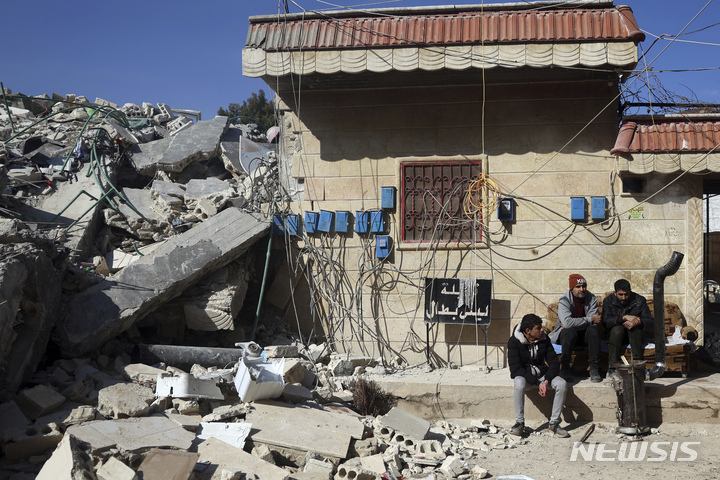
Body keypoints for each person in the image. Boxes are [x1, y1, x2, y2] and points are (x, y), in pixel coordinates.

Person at [508, 313, 570, 438]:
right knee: (518, 382)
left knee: (562, 384)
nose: (542, 330)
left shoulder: (544, 339)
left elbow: (553, 363)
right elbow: (515, 370)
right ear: (528, 331)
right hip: (526, 377)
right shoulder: (514, 342)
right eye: (538, 328)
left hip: (542, 375)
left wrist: (546, 381)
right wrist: (538, 383)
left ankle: (554, 423)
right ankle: (519, 423)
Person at [550, 274, 602, 382]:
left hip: (584, 335)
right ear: (572, 288)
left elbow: (594, 321)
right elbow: (569, 324)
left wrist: (574, 322)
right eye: (578, 286)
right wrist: (588, 319)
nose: (582, 289)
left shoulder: (592, 298)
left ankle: (594, 368)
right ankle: (564, 368)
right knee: (570, 331)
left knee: (593, 330)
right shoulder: (564, 299)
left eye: (584, 286)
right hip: (567, 335)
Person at [602, 279, 653, 379]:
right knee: (617, 330)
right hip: (615, 335)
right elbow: (605, 322)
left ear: (630, 292)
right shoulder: (608, 301)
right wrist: (623, 318)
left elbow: (650, 322)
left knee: (635, 330)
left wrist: (638, 321)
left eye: (626, 294)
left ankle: (638, 366)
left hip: (635, 335)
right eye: (620, 294)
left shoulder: (639, 300)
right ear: (615, 293)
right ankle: (612, 369)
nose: (624, 297)